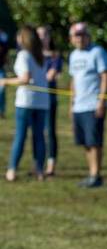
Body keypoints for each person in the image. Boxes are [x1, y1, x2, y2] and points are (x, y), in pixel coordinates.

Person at [3, 26, 50, 181]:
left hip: (26, 102)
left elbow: (25, 78)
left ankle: (12, 170)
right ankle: (39, 170)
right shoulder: (40, 55)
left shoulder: (23, 55)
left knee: (20, 136)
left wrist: (5, 81)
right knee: (39, 137)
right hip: (42, 101)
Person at [67, 22, 107, 188]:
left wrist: (101, 100)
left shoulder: (97, 52)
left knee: (94, 141)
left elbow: (106, 76)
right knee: (85, 142)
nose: (79, 38)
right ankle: (91, 172)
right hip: (79, 105)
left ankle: (96, 174)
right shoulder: (73, 56)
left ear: (88, 36)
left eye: (82, 35)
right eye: (76, 36)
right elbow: (73, 80)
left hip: (93, 104)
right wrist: (71, 104)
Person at [36, 25, 62, 177]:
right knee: (37, 132)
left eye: (44, 34)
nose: (41, 37)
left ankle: (51, 164)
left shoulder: (54, 56)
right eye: (38, 35)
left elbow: (50, 76)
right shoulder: (33, 56)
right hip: (35, 99)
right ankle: (39, 163)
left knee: (50, 131)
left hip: (49, 99)